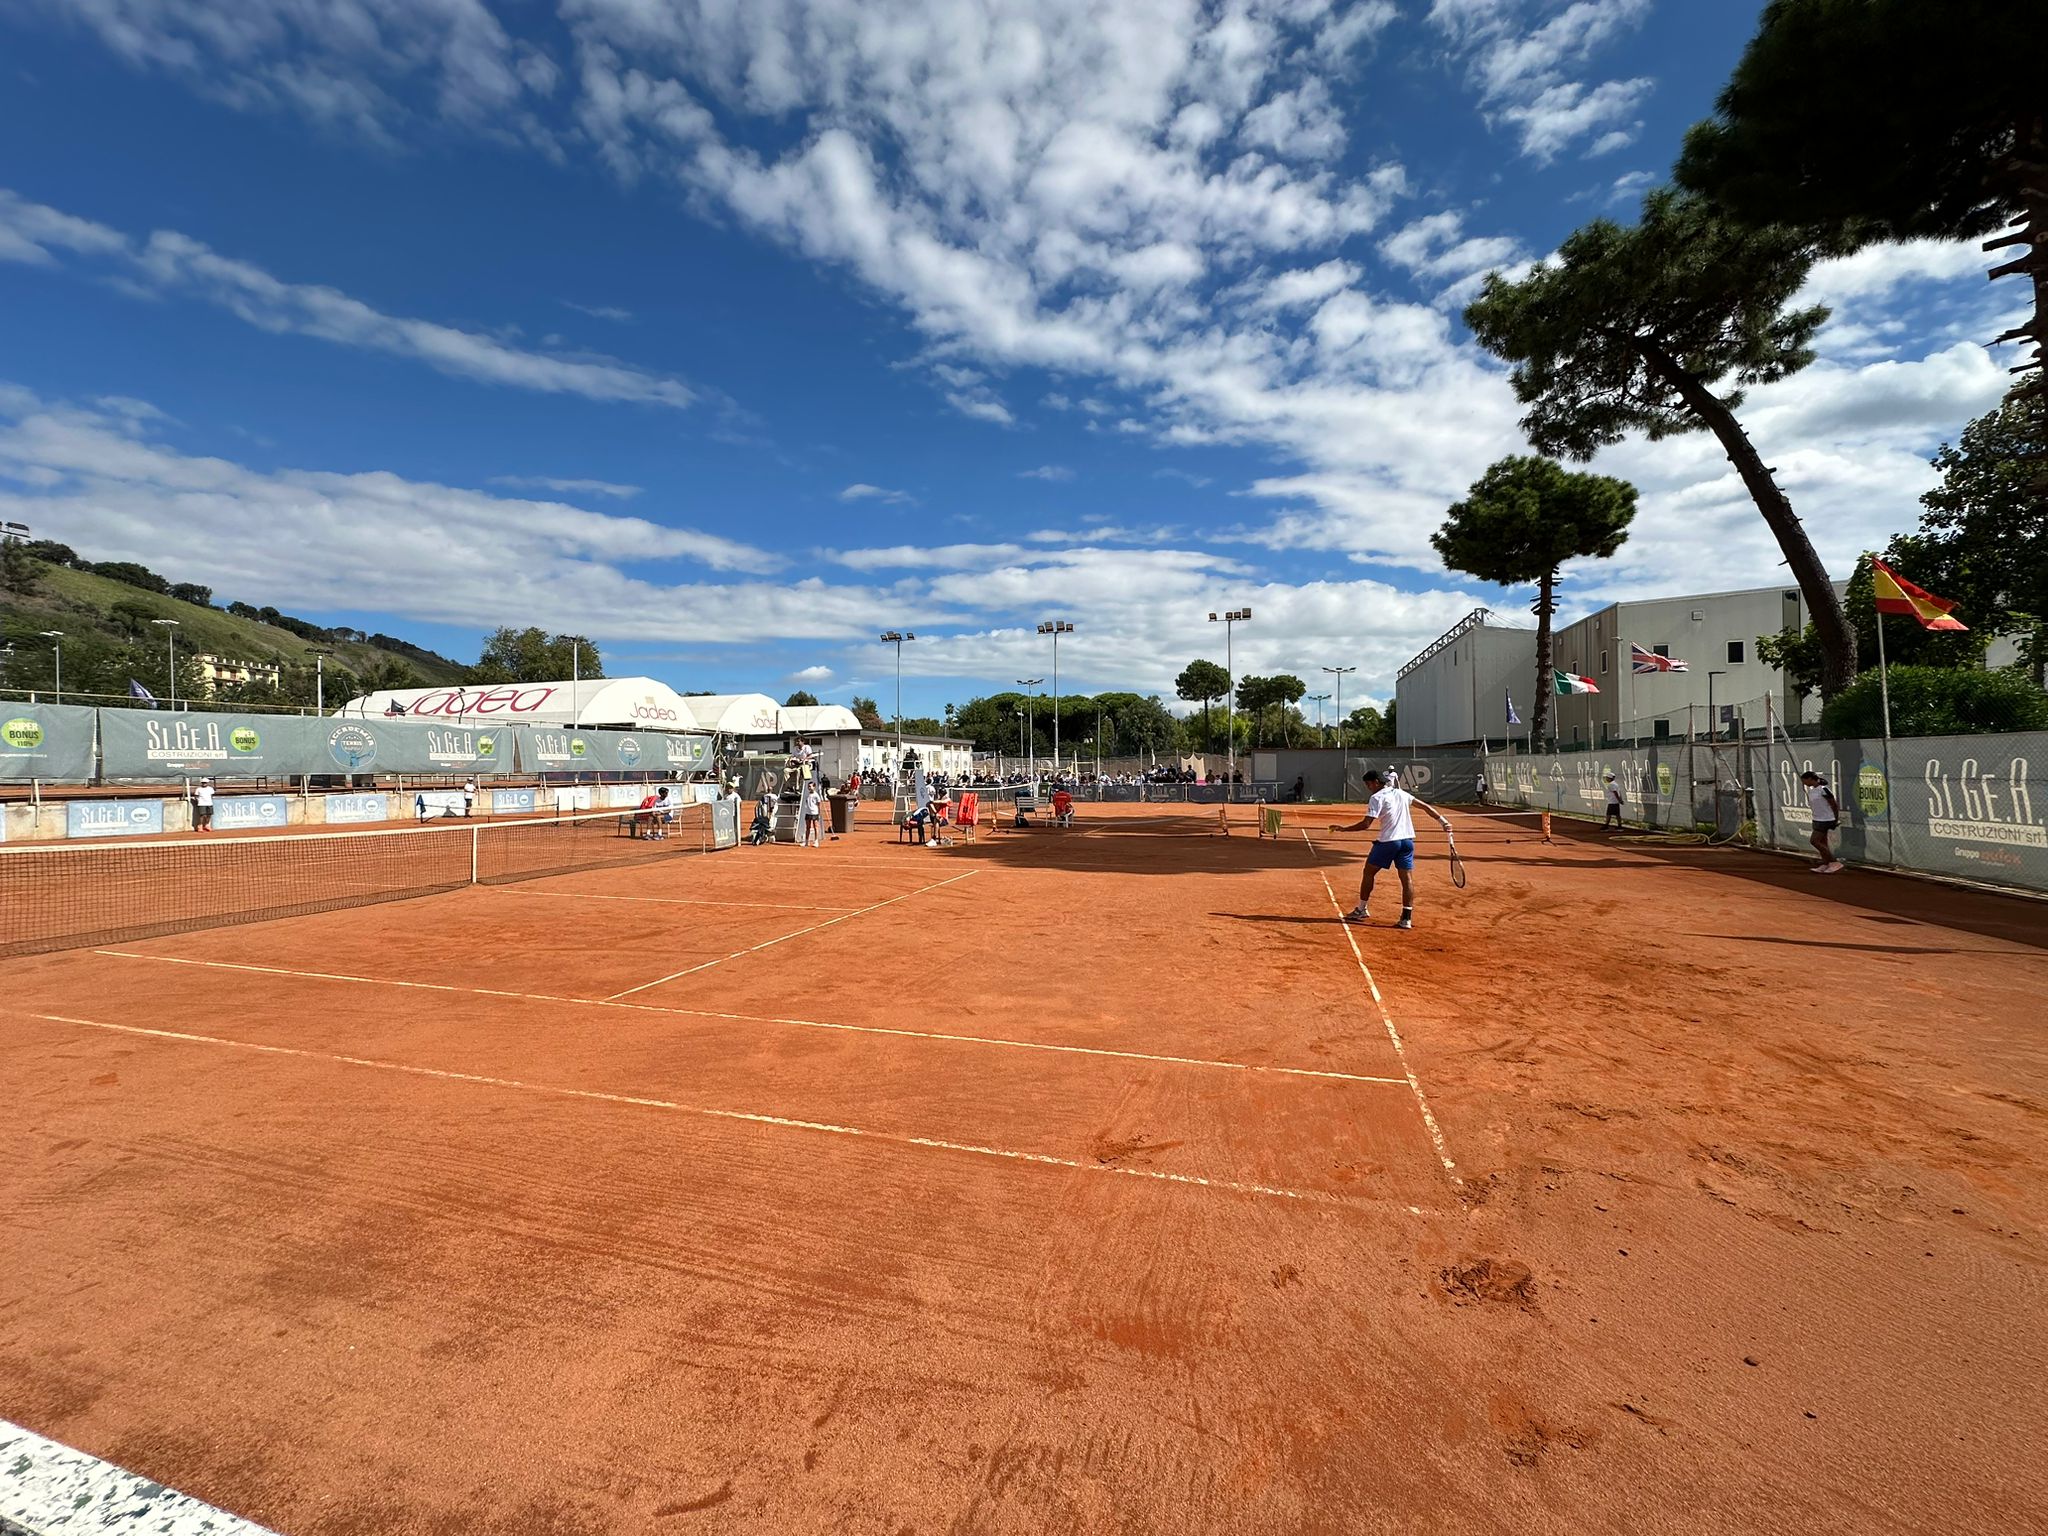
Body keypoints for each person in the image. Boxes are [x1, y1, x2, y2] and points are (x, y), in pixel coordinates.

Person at [1327, 769, 1451, 930]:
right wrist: (1444, 822)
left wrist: (1343, 829)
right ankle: (1406, 919)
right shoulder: (1401, 793)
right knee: (1407, 879)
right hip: (1407, 842)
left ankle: (1361, 909)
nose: (1368, 787)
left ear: (1376, 782)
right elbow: (1426, 807)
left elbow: (1366, 824)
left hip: (1388, 843)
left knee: (1368, 872)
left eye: (1368, 784)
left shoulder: (1376, 798)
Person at [1802, 771, 1843, 874]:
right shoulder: (1812, 791)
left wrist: (1836, 819)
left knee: (1814, 841)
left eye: (1805, 780)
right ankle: (1826, 863)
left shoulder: (1824, 789)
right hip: (1817, 819)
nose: (1804, 783)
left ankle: (1834, 862)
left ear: (1811, 779)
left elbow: (1834, 805)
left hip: (1826, 820)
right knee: (1823, 842)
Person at [801, 779, 823, 848]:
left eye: (811, 786)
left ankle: (816, 841)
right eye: (809, 786)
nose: (810, 788)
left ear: (814, 787)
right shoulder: (807, 795)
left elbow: (819, 804)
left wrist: (819, 813)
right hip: (808, 812)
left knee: (815, 827)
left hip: (814, 813)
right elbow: (806, 803)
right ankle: (806, 841)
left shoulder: (816, 795)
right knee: (808, 827)